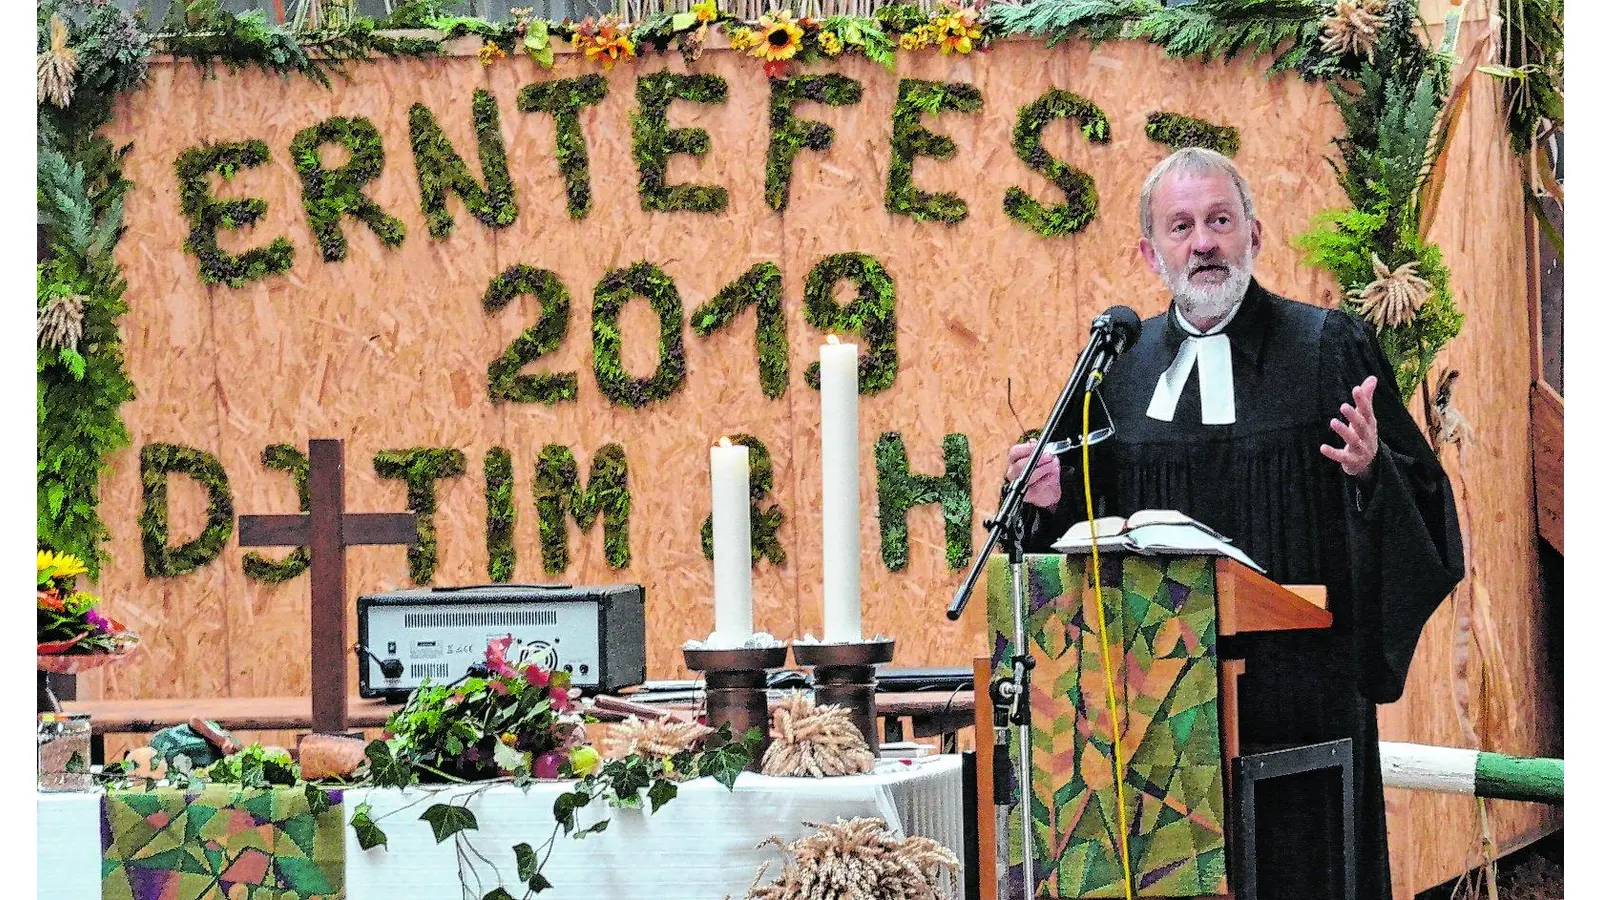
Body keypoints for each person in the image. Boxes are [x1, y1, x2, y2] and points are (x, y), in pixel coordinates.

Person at [1006, 147, 1464, 900]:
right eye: (1181, 227)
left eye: (1220, 221)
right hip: (1156, 722)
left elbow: (1426, 514)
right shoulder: (1117, 371)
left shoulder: (1325, 348)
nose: (1204, 243)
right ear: (1150, 254)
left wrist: (1371, 474)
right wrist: (1048, 498)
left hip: (1300, 709)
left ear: (1256, 233)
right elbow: (1083, 533)